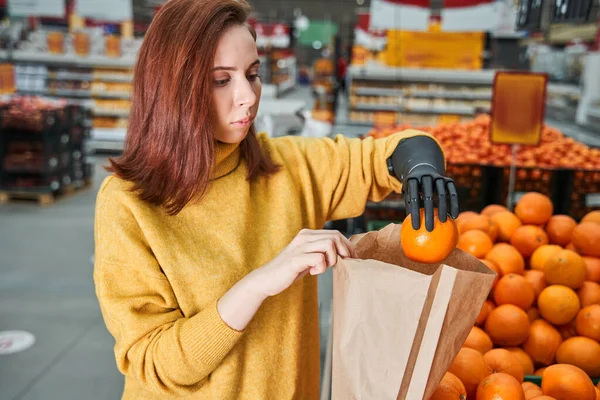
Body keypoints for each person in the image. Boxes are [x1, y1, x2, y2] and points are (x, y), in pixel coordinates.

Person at [93, 0, 459, 399]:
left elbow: (389, 153)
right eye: (221, 80)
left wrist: (420, 165)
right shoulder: (128, 204)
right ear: (171, 85)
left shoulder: (287, 166)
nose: (248, 97)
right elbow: (154, 362)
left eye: (253, 75)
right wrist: (259, 284)